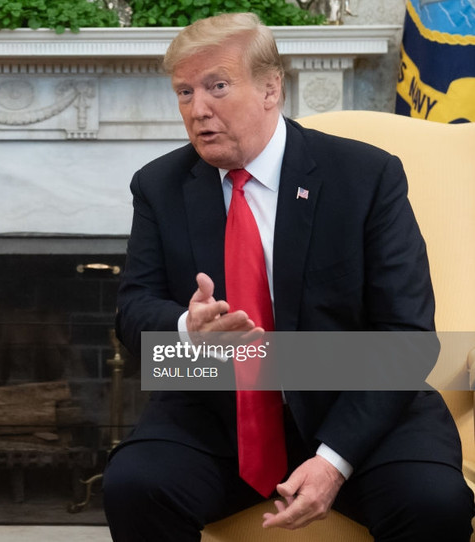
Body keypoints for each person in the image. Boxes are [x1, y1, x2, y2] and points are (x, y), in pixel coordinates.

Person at [102, 12, 473, 541]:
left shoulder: (366, 176)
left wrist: (333, 461)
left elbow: (407, 337)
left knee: (434, 503)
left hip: (358, 408)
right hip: (218, 413)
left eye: (217, 86)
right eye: (184, 92)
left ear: (270, 88)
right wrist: (187, 329)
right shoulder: (160, 185)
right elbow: (134, 310)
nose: (197, 109)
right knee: (134, 486)